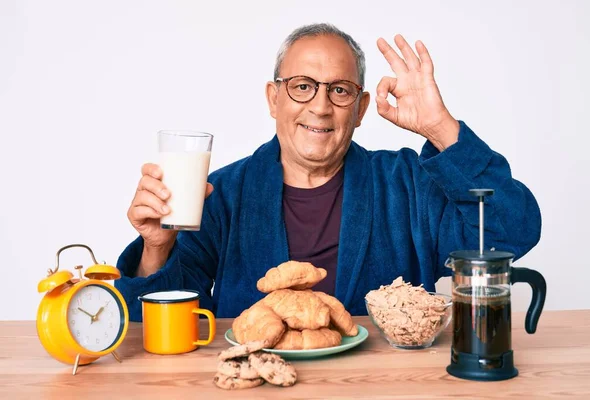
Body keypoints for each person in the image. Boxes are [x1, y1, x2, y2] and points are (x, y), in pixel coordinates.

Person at [115, 23, 541, 322]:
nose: (320, 106)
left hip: (384, 387)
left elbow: (511, 231)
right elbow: (147, 323)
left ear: (359, 110)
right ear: (273, 98)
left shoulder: (407, 184)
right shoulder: (220, 193)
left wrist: (441, 128)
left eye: (339, 90)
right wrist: (156, 247)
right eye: (302, 86)